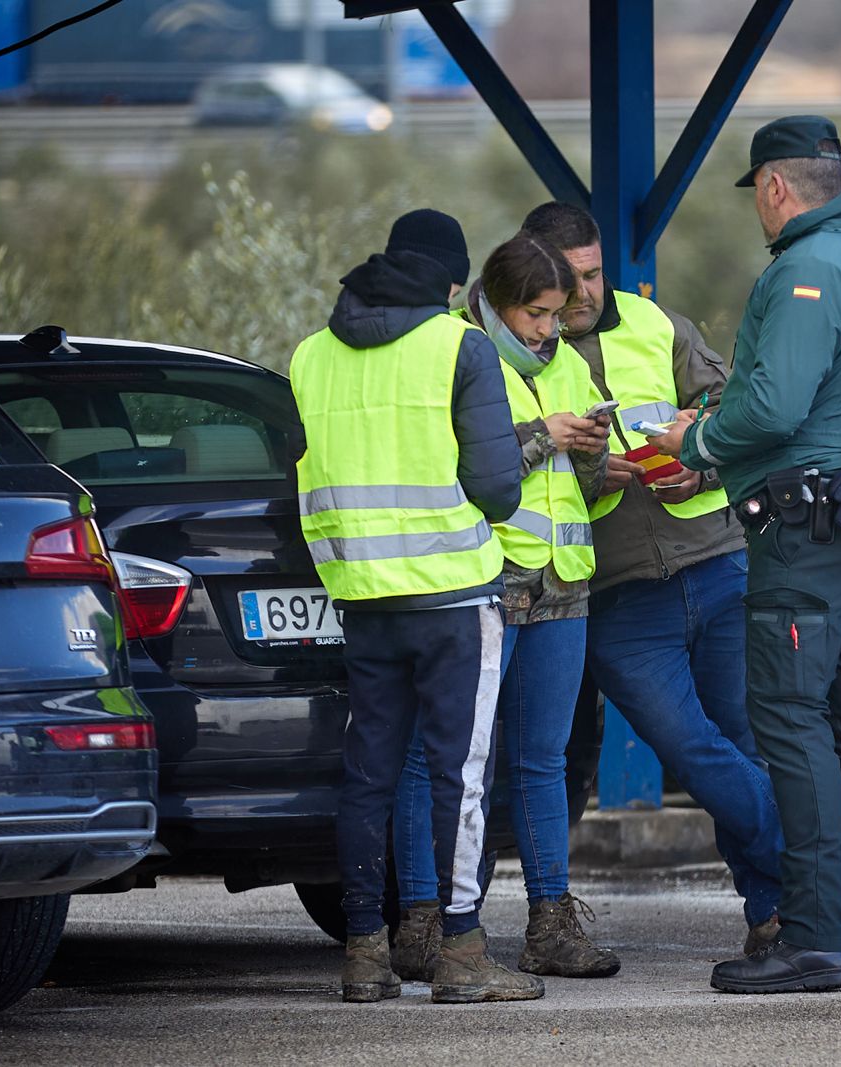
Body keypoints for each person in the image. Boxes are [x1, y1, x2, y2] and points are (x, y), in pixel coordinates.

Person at [654, 115, 841, 994]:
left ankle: (813, 938)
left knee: (793, 723)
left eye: (757, 196)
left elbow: (770, 409)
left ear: (774, 186)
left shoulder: (807, 266)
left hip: (808, 534)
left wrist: (694, 440)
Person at [520, 201, 786, 956]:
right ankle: (814, 854)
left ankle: (776, 915)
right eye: (567, 279)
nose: (584, 293)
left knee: (746, 740)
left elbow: (729, 403)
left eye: (595, 273)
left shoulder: (655, 324)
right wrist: (592, 474)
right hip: (620, 595)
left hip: (717, 559)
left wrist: (699, 452)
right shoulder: (528, 356)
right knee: (695, 751)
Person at [288, 208, 532, 1004]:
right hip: (454, 595)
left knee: (368, 773)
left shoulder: (310, 356)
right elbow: (497, 488)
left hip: (363, 596)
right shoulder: (458, 346)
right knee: (459, 772)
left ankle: (364, 950)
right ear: (452, 282)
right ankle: (461, 949)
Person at [392, 231, 619, 981]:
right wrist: (540, 435)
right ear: (494, 300)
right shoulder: (459, 354)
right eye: (536, 314)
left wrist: (589, 450)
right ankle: (425, 924)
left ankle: (550, 923)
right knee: (449, 760)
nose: (549, 331)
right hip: (485, 581)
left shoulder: (571, 365)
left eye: (557, 315)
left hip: (563, 583)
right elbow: (456, 467)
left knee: (542, 762)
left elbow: (585, 489)